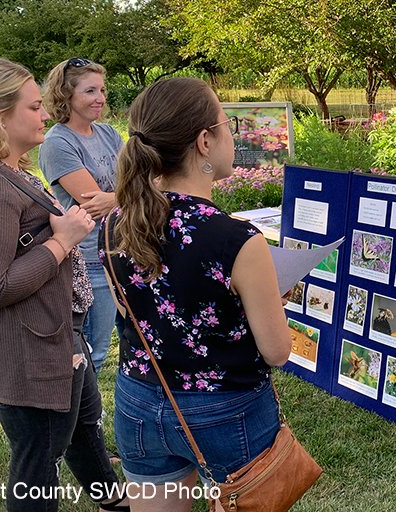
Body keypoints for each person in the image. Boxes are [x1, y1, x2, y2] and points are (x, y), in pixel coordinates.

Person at [0, 56, 128, 511]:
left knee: (83, 426)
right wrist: (63, 242)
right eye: (35, 108)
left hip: (55, 335)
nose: (45, 115)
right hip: (25, 349)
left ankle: (115, 502)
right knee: (39, 460)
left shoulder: (6, 169)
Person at [100, 77, 292, 512]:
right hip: (227, 408)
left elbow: (134, 313)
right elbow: (277, 350)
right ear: (205, 141)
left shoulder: (115, 223)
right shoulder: (237, 238)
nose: (231, 136)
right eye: (228, 124)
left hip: (139, 398)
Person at [39, 57, 123, 373]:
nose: (100, 98)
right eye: (90, 91)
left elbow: (139, 182)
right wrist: (128, 196)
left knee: (134, 340)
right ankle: (83, 420)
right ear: (66, 95)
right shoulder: (58, 143)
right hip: (91, 259)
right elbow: (92, 202)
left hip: (124, 251)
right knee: (94, 351)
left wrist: (116, 197)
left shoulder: (108, 134)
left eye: (102, 90)